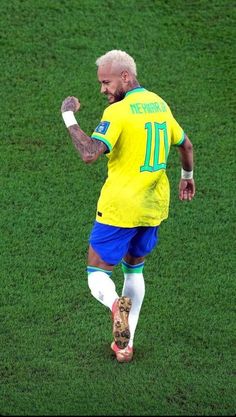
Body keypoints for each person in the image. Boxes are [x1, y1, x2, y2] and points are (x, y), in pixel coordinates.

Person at [61, 50, 195, 363]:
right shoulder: (159, 104)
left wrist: (68, 115)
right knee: (134, 270)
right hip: (152, 207)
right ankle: (125, 345)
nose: (102, 90)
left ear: (125, 77)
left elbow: (90, 153)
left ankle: (113, 306)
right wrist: (187, 176)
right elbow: (185, 145)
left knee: (97, 271)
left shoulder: (118, 113)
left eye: (106, 83)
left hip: (120, 206)